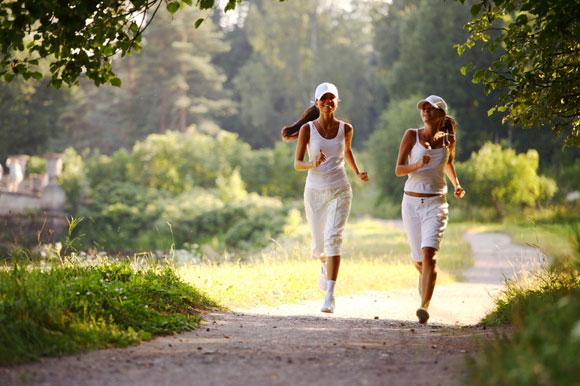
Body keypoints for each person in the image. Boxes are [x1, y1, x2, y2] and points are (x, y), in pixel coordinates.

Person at [284, 82, 369, 313]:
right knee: (320, 248)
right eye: (324, 98)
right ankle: (324, 266)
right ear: (317, 103)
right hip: (314, 192)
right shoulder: (307, 130)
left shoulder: (346, 128)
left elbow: (347, 151)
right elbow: (297, 163)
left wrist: (358, 172)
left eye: (332, 98)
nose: (328, 102)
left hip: (340, 189)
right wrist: (313, 163)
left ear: (337, 102)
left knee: (334, 238)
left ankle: (330, 295)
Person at [394, 95, 465, 324]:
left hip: (436, 203)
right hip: (411, 204)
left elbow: (449, 163)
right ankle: (425, 279)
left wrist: (457, 184)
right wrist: (418, 164)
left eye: (431, 109)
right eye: (423, 108)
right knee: (419, 260)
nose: (426, 111)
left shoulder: (448, 139)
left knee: (430, 256)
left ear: (441, 115)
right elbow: (399, 169)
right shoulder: (411, 135)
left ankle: (424, 306)